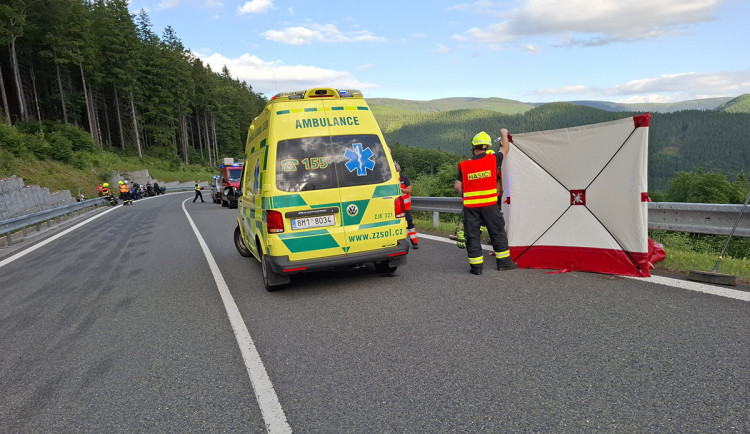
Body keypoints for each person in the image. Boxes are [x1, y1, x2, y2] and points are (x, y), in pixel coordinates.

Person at [454, 129, 517, 275]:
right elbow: (505, 148)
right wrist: (503, 133)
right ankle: (504, 263)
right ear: (487, 146)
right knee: (497, 232)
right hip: (490, 205)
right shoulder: (493, 159)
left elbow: (457, 186)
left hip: (471, 207)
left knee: (473, 236)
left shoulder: (464, 165)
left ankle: (476, 268)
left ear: (473, 147)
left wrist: (467, 196)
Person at [394, 162, 419, 249]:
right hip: (394, 207)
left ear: (398, 169)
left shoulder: (404, 178)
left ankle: (415, 242)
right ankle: (396, 242)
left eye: (395, 169)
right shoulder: (389, 180)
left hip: (405, 206)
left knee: (409, 222)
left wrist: (400, 189)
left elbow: (409, 190)